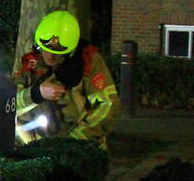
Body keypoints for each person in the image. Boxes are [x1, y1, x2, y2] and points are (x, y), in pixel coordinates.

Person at [15, 10, 120, 149]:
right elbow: (8, 105)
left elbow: (108, 105)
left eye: (58, 53)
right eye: (45, 49)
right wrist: (36, 93)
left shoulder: (88, 60)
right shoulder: (28, 63)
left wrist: (75, 141)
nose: (50, 56)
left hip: (80, 149)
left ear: (71, 50)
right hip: (34, 149)